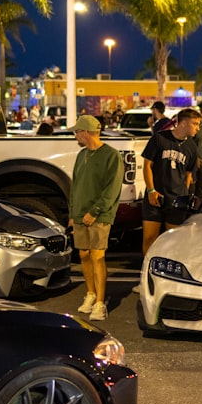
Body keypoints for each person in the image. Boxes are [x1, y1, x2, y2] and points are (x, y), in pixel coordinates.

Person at [68, 115, 123, 321]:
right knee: (83, 255)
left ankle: (100, 303)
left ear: (86, 132)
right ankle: (90, 294)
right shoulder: (81, 155)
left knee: (97, 256)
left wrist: (95, 211)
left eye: (77, 132)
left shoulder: (111, 155)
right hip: (81, 214)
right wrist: (74, 214)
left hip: (100, 215)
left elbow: (112, 188)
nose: (76, 136)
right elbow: (75, 186)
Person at [141, 107, 201, 256]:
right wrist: (151, 191)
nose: (198, 128)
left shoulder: (191, 147)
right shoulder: (160, 138)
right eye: (195, 124)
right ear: (183, 124)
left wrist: (183, 196)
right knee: (149, 239)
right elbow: (147, 165)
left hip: (176, 201)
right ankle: (147, 272)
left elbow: (188, 175)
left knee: (174, 242)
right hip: (155, 197)